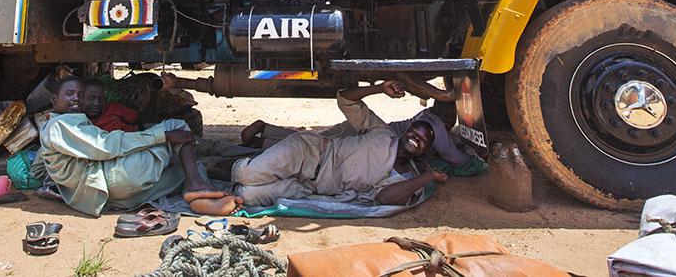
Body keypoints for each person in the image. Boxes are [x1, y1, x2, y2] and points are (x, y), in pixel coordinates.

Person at [215, 81, 447, 207]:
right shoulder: (383, 133)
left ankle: (214, 175)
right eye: (415, 132)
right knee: (246, 174)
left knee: (246, 195)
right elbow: (345, 99)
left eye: (424, 140)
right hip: (308, 153)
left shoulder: (404, 177)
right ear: (405, 132)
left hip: (310, 187)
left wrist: (428, 177)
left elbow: (385, 198)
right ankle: (214, 165)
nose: (417, 139)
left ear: (426, 151)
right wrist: (378, 88)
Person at [39, 76, 241, 216]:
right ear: (54, 100)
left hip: (110, 197)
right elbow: (107, 145)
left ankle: (199, 197)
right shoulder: (60, 124)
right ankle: (196, 185)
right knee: (176, 126)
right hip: (115, 177)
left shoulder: (56, 128)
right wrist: (162, 135)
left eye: (80, 94)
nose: (76, 98)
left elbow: (38, 168)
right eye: (69, 93)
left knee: (185, 169)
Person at [240, 100, 476, 171]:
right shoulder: (435, 125)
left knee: (313, 142)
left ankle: (264, 137)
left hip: (361, 133)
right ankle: (264, 134)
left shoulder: (427, 116)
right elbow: (454, 157)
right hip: (363, 140)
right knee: (310, 147)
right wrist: (477, 158)